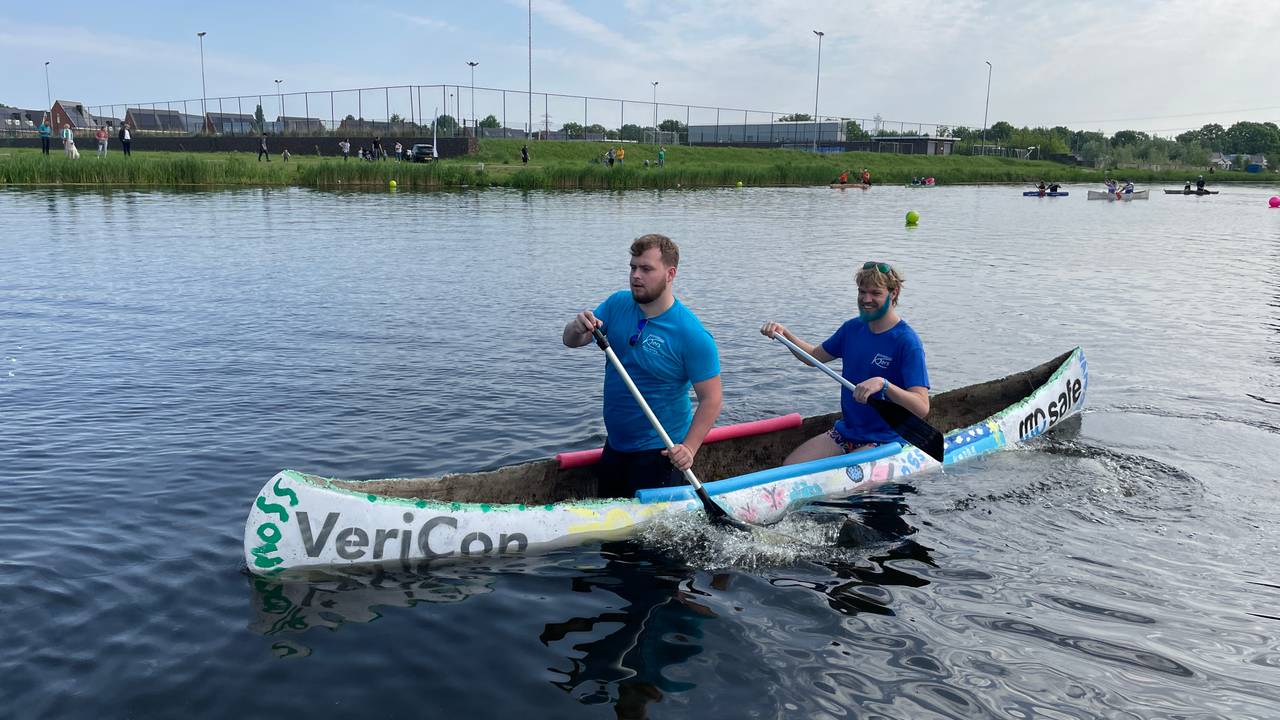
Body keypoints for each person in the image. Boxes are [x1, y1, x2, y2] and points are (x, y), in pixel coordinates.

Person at [562, 234, 723, 497]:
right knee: (611, 537)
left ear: (670, 274)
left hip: (659, 454)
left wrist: (689, 449)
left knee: (646, 540)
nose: (636, 275)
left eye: (646, 269)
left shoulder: (691, 335)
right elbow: (571, 341)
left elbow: (712, 400)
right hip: (616, 447)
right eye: (633, 267)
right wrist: (576, 327)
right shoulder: (617, 304)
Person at [760, 261, 930, 465]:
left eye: (875, 293)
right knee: (789, 468)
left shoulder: (906, 341)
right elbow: (814, 356)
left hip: (887, 440)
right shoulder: (852, 329)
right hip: (848, 432)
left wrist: (884, 385)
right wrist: (784, 334)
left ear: (893, 294)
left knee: (841, 481)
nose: (866, 299)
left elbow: (921, 407)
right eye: (862, 292)